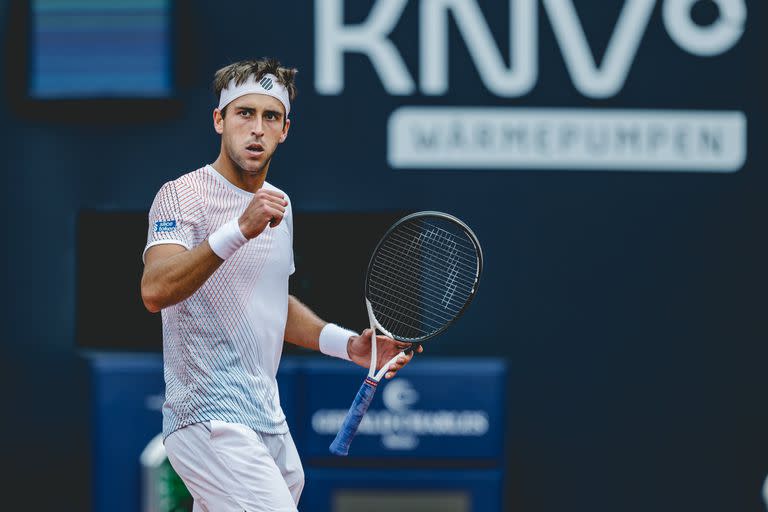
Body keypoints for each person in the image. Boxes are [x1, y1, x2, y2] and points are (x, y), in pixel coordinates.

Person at [140, 57, 420, 512]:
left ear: (285, 129)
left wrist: (348, 344)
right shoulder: (182, 194)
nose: (257, 128)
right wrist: (238, 230)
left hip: (267, 420)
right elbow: (154, 290)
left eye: (270, 116)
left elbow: (271, 302)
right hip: (208, 417)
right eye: (243, 113)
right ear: (219, 120)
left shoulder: (279, 205)